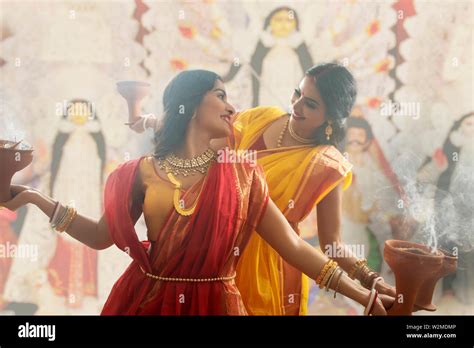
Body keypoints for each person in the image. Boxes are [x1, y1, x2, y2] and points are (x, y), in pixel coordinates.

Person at [1, 70, 393, 315]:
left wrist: (364, 296)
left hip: (220, 302)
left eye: (310, 103)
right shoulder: (137, 174)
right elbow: (101, 237)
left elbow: (294, 248)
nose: (233, 106)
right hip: (145, 301)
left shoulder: (243, 174)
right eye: (221, 95)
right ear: (190, 106)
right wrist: (37, 200)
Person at [130, 64, 396, 315]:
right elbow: (203, 146)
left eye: (310, 104)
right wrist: (156, 124)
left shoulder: (325, 165)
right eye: (297, 93)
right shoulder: (262, 117)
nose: (297, 105)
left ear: (330, 118)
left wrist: (370, 280)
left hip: (272, 264)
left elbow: (332, 244)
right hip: (217, 246)